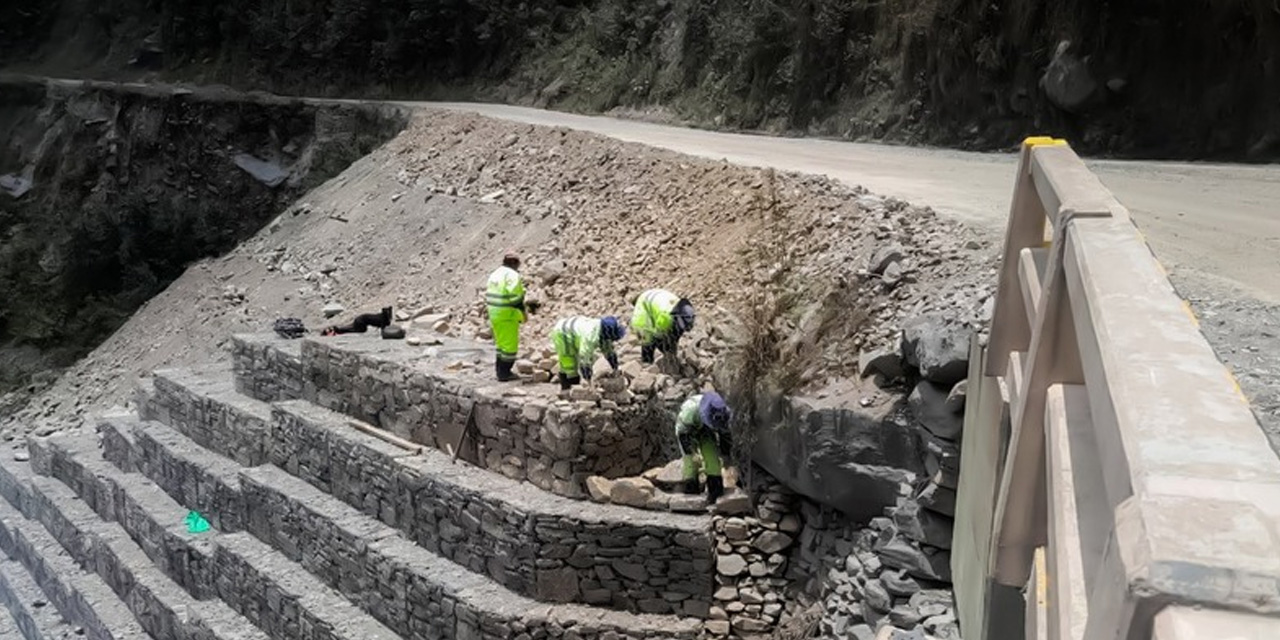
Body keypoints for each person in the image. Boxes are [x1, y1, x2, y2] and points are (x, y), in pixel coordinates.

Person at [485, 252, 537, 381]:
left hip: (493, 312)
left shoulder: (495, 273)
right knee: (510, 346)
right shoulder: (512, 275)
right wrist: (523, 312)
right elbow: (515, 298)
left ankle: (499, 371)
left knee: (501, 344)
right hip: (506, 313)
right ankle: (505, 373)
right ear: (514, 263)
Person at [675, 391, 733, 504]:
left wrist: (725, 454)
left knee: (712, 459)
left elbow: (725, 435)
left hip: (706, 431)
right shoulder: (690, 411)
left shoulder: (724, 413)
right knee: (691, 462)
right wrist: (692, 452)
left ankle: (715, 495)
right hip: (687, 431)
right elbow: (683, 434)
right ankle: (691, 497)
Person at [549, 315, 626, 389]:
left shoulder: (602, 331)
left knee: (576, 361)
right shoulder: (590, 336)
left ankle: (575, 387)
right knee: (568, 362)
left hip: (574, 331)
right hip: (563, 332)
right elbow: (584, 358)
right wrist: (588, 380)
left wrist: (615, 367)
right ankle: (567, 388)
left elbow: (608, 350)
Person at [629, 289, 695, 364]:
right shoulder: (665, 317)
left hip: (663, 310)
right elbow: (657, 335)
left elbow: (639, 323)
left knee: (656, 337)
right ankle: (652, 361)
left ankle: (652, 362)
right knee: (657, 337)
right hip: (677, 310)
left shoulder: (640, 302)